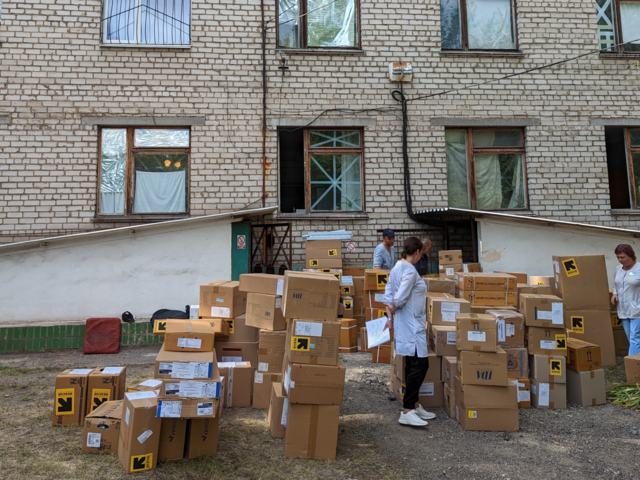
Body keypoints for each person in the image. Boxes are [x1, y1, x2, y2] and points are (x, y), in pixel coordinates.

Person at [383, 237, 434, 427]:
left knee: (412, 363)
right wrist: (394, 308)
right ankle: (407, 410)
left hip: (407, 323)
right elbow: (400, 296)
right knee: (421, 364)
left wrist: (389, 317)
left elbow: (388, 293)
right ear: (418, 252)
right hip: (412, 324)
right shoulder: (411, 271)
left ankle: (413, 403)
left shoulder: (397, 267)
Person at [612, 244, 640, 356]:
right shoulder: (618, 269)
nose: (620, 260)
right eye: (618, 257)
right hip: (623, 310)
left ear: (631, 255)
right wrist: (614, 293)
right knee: (631, 337)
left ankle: (633, 365)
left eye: (622, 257)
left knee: (635, 337)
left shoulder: (639, 269)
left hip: (637, 310)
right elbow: (616, 285)